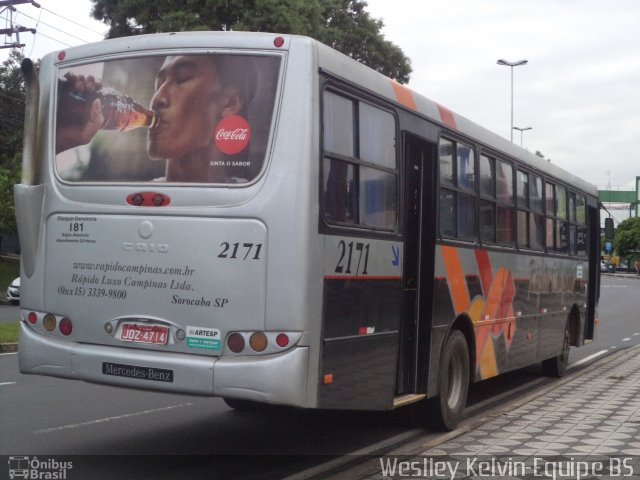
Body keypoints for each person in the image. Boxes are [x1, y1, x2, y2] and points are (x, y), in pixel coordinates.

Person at [56, 54, 258, 183]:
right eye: (159, 83)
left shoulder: (250, 196)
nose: (157, 99)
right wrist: (65, 137)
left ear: (230, 102)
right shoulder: (133, 201)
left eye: (183, 78)